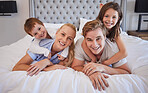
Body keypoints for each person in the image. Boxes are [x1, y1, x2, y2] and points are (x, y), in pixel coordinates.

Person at [71, 20, 131, 91]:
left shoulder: (113, 49)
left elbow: (126, 72)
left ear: (105, 37)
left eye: (98, 38)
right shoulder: (80, 44)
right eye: (89, 40)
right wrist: (92, 71)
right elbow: (75, 66)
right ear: (85, 39)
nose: (94, 45)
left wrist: (103, 68)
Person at [82, 2, 127, 66]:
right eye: (106, 16)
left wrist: (106, 63)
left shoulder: (115, 31)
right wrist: (93, 59)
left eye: (114, 17)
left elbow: (124, 52)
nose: (109, 20)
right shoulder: (96, 27)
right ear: (102, 16)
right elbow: (84, 44)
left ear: (118, 19)